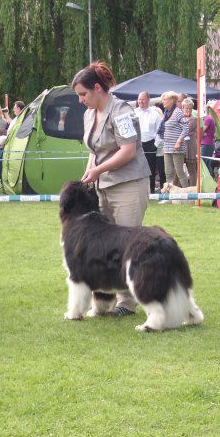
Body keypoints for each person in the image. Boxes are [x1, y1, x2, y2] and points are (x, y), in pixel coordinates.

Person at [72, 61, 151, 316]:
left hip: (128, 184)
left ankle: (127, 303)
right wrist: (90, 171)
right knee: (103, 247)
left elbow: (128, 151)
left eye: (83, 94)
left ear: (97, 88)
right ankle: (103, 302)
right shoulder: (88, 115)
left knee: (127, 245)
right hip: (102, 186)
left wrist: (98, 170)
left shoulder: (122, 111)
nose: (81, 100)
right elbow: (94, 152)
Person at [159, 91, 190, 187]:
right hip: (167, 147)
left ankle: (187, 195)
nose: (163, 101)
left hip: (177, 148)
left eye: (165, 99)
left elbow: (186, 128)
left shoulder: (178, 112)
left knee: (180, 172)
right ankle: (169, 196)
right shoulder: (166, 113)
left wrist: (179, 141)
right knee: (168, 172)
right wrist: (164, 145)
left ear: (171, 100)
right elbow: (165, 131)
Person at [135, 91, 162, 192]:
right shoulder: (134, 112)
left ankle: (150, 191)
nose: (141, 101)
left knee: (150, 169)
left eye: (143, 99)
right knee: (137, 168)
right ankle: (138, 190)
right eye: (139, 99)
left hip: (150, 144)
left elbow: (160, 131)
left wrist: (155, 145)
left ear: (148, 100)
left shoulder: (155, 114)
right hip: (137, 144)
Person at [181, 98, 199, 180]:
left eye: (190, 108)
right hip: (181, 146)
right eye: (186, 108)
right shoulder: (179, 119)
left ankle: (193, 190)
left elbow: (185, 130)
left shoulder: (194, 119)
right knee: (179, 170)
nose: (188, 110)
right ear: (182, 108)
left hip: (191, 146)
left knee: (192, 170)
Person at [201, 108, 217, 176]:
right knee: (207, 164)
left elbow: (201, 131)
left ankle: (210, 182)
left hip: (206, 144)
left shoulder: (207, 119)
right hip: (209, 144)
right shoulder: (210, 119)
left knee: (205, 165)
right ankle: (211, 181)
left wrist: (202, 133)